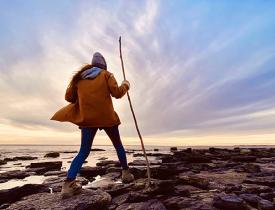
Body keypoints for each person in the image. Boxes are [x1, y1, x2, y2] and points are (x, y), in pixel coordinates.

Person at [50, 52, 134, 198]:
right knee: (118, 146)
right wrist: (126, 85)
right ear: (104, 65)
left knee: (83, 151)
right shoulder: (107, 75)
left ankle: (68, 185)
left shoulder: (80, 79)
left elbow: (68, 97)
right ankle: (126, 174)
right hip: (107, 118)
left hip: (87, 119)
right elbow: (117, 93)